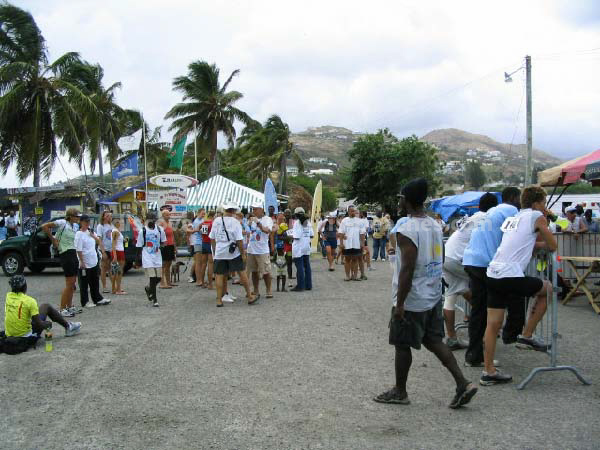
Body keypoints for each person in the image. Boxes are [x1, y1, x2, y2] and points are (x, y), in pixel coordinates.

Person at [374, 178, 477, 409]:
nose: (398, 201)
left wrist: (400, 303)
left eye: (401, 197)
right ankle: (463, 383)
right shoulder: (433, 224)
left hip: (413, 298)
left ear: (407, 200)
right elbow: (438, 258)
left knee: (402, 345)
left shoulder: (405, 228)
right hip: (431, 294)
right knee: (433, 340)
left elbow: (407, 269)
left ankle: (400, 391)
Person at [481, 186, 557, 385]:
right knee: (547, 288)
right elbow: (553, 245)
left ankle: (488, 370)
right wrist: (545, 221)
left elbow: (521, 244)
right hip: (511, 275)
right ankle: (527, 335)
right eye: (544, 203)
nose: (545, 207)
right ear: (536, 203)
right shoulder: (536, 217)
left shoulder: (512, 219)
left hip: (493, 272)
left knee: (493, 324)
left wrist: (537, 243)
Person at [461, 187, 525, 367]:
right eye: (519, 198)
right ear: (513, 198)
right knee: (515, 291)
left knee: (478, 310)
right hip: (486, 263)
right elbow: (517, 237)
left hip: (472, 260)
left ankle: (474, 356)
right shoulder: (512, 210)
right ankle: (513, 334)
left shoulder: (492, 212)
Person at [443, 193, 498, 350]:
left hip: (448, 255)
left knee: (452, 295)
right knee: (483, 292)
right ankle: (485, 330)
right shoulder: (486, 219)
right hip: (459, 259)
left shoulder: (473, 217)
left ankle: (452, 338)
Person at [209, 201, 256, 307]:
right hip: (233, 252)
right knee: (242, 272)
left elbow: (212, 238)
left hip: (220, 251)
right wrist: (243, 253)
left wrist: (215, 251)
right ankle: (249, 295)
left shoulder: (216, 221)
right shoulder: (235, 222)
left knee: (219, 275)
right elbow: (239, 240)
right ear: (234, 211)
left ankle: (219, 299)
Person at [4, 275, 81, 339]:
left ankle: (68, 326)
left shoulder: (8, 297)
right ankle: (68, 327)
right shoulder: (29, 301)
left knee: (44, 307)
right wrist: (47, 324)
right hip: (25, 336)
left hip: (9, 334)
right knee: (46, 307)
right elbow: (39, 325)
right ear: (25, 287)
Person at [42, 208, 82, 317]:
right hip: (65, 253)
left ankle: (69, 306)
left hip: (72, 252)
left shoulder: (74, 226)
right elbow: (44, 226)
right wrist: (53, 239)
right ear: (70, 216)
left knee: (73, 283)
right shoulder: (62, 222)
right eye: (76, 216)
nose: (78, 218)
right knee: (69, 283)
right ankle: (62, 308)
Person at [75, 215, 111, 308]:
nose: (87, 223)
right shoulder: (79, 234)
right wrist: (81, 261)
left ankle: (97, 298)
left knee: (94, 281)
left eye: (88, 222)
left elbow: (99, 241)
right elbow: (78, 249)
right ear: (81, 222)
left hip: (93, 260)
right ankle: (85, 301)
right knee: (84, 283)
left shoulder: (90, 232)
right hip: (85, 261)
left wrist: (92, 236)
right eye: (85, 222)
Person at [135, 211, 166, 307]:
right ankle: (154, 299)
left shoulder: (160, 230)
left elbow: (164, 242)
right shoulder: (143, 231)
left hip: (157, 256)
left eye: (153, 219)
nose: (152, 221)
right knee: (152, 278)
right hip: (147, 256)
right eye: (150, 219)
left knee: (159, 278)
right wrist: (137, 260)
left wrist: (160, 246)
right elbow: (139, 245)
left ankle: (149, 288)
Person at [248, 202, 275, 298]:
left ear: (261, 209)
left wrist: (258, 223)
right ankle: (256, 290)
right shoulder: (251, 219)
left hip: (262, 250)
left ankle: (268, 290)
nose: (253, 211)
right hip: (251, 249)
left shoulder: (267, 219)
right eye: (253, 209)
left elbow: (267, 230)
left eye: (255, 209)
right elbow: (249, 232)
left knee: (266, 272)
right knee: (254, 271)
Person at [338, 205, 365, 281]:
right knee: (347, 260)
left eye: (354, 211)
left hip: (356, 244)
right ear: (348, 212)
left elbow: (362, 233)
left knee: (355, 259)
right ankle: (347, 276)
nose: (353, 212)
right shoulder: (344, 221)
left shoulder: (359, 221)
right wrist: (341, 243)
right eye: (351, 211)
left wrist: (362, 243)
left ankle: (355, 276)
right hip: (347, 244)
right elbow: (341, 232)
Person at [291, 207, 313, 292]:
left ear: (296, 214)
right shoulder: (308, 222)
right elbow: (312, 235)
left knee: (299, 266)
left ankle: (300, 286)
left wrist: (289, 236)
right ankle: (308, 285)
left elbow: (296, 236)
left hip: (298, 247)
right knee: (307, 266)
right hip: (306, 246)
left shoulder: (297, 223)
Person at [96, 211, 114, 294]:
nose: (109, 217)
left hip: (111, 249)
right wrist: (103, 252)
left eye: (110, 216)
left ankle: (113, 285)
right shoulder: (100, 226)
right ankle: (104, 286)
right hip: (104, 249)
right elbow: (99, 239)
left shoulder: (111, 225)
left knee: (110, 268)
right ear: (103, 217)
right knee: (104, 268)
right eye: (107, 216)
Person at [158, 209, 176, 289]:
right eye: (167, 215)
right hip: (165, 245)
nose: (168, 216)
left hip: (171, 245)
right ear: (163, 215)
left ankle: (168, 282)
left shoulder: (170, 223)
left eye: (169, 215)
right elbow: (159, 235)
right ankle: (162, 283)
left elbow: (172, 235)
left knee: (169, 264)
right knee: (163, 264)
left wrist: (175, 246)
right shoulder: (161, 223)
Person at [198, 211, 215, 290]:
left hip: (204, 243)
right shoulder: (212, 223)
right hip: (210, 243)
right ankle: (210, 284)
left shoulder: (204, 222)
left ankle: (201, 281)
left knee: (203, 264)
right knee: (210, 264)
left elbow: (202, 233)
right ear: (213, 216)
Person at [111, 217, 126, 295]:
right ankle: (118, 289)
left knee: (116, 271)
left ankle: (115, 288)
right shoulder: (115, 231)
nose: (121, 224)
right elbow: (113, 243)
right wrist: (115, 255)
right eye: (119, 222)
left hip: (119, 250)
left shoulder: (117, 231)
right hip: (118, 251)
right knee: (119, 271)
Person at [192, 209, 206, 287]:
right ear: (198, 213)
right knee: (198, 262)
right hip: (198, 242)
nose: (203, 215)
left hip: (201, 242)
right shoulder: (198, 221)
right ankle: (198, 280)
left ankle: (200, 279)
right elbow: (203, 232)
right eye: (202, 214)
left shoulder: (202, 220)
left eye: (204, 214)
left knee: (200, 262)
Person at [284, 209, 295, 286]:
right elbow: (279, 235)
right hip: (286, 245)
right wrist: (286, 238)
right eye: (286, 213)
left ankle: (292, 275)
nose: (288, 215)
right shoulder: (282, 223)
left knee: (295, 260)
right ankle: (289, 275)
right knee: (289, 260)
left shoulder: (293, 222)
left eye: (289, 213)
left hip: (294, 244)